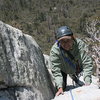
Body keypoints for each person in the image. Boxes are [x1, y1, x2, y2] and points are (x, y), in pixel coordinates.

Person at [50, 26, 93, 96]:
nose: (65, 44)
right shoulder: (55, 51)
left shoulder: (80, 45)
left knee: (83, 84)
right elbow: (56, 69)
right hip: (63, 70)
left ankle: (74, 76)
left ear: (72, 38)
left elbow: (87, 63)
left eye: (67, 40)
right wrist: (60, 87)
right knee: (62, 88)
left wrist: (88, 82)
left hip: (77, 68)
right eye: (62, 41)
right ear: (58, 41)